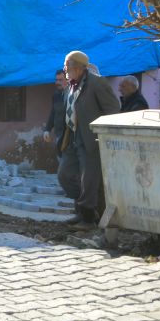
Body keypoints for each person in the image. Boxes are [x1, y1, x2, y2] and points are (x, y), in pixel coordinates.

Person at [58, 50, 120, 227]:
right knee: (65, 175)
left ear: (77, 67)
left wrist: (104, 134)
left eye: (66, 65)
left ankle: (87, 217)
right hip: (72, 137)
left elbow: (113, 109)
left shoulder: (97, 83)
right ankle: (84, 209)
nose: (64, 69)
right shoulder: (70, 86)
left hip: (91, 139)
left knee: (89, 180)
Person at [43, 69, 67, 147]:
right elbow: (53, 113)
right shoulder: (56, 95)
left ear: (68, 80)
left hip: (71, 135)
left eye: (60, 80)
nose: (57, 83)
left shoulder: (73, 94)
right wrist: (47, 130)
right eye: (56, 80)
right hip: (59, 134)